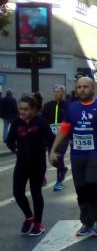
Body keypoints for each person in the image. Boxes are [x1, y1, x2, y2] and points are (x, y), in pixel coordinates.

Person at [49, 77, 97, 236]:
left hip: (96, 154)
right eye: (79, 87)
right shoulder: (72, 108)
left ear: (93, 88)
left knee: (92, 186)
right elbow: (64, 130)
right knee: (80, 189)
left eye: (86, 87)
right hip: (77, 154)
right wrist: (53, 149)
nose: (82, 90)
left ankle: (96, 219)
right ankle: (86, 221)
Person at [7, 95, 55, 236]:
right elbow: (9, 140)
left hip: (37, 164)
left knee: (35, 193)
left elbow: (51, 140)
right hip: (21, 163)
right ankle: (29, 217)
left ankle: (38, 223)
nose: (22, 112)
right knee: (17, 193)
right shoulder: (16, 122)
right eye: (20, 109)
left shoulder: (41, 122)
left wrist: (52, 153)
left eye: (26, 109)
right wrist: (15, 149)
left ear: (34, 109)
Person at [42, 85, 69, 191]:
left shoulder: (67, 106)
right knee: (52, 160)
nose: (56, 93)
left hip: (63, 137)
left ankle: (58, 182)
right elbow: (43, 120)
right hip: (51, 136)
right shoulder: (48, 105)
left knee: (58, 157)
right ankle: (63, 169)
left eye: (59, 91)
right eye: (55, 91)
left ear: (63, 93)